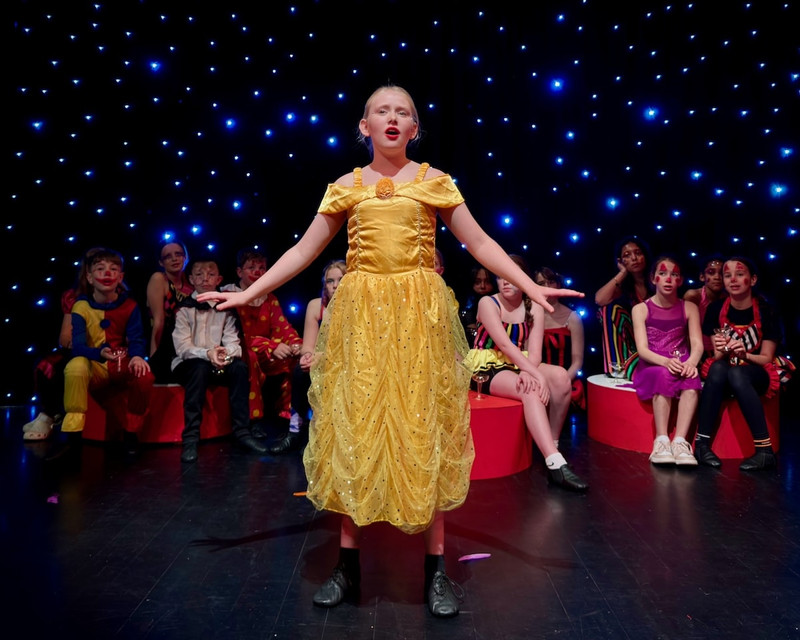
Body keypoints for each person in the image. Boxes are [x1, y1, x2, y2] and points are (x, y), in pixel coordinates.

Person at [197, 85, 583, 617]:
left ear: (415, 127)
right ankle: (347, 567)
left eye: (404, 112)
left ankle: (436, 570)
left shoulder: (432, 182)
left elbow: (483, 243)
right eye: (383, 111)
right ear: (365, 125)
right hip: (362, 319)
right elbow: (305, 250)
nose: (393, 118)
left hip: (416, 318)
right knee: (357, 430)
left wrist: (532, 288)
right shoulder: (345, 187)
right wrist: (248, 292)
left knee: (420, 430)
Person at [464, 255, 588, 492]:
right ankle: (555, 464)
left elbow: (534, 351)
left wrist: (531, 370)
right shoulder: (488, 303)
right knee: (530, 390)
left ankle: (551, 446)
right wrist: (534, 375)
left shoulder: (534, 305)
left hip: (521, 362)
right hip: (488, 363)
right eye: (500, 277)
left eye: (512, 276)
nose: (506, 282)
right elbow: (506, 347)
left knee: (561, 377)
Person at [58, 248, 154, 456]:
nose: (107, 274)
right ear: (90, 278)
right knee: (75, 366)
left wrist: (137, 356)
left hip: (119, 363)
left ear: (120, 277)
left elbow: (137, 338)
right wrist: (99, 354)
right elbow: (78, 346)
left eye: (113, 270)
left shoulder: (129, 306)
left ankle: (131, 433)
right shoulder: (81, 306)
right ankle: (72, 438)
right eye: (101, 269)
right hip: (95, 365)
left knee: (144, 374)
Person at [171, 256, 268, 463]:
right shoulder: (184, 309)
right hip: (190, 364)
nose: (205, 278)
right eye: (199, 274)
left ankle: (242, 432)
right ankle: (190, 438)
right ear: (191, 279)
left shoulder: (226, 308)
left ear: (219, 279)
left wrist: (225, 353)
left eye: (211, 274)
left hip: (218, 362)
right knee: (198, 368)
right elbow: (183, 348)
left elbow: (234, 343)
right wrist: (207, 354)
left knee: (240, 368)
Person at [694, 257, 783, 471]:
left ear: (752, 280)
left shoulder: (765, 310)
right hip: (727, 368)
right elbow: (717, 356)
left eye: (740, 274)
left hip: (756, 370)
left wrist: (745, 355)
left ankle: (764, 450)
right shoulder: (716, 310)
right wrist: (722, 349)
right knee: (718, 368)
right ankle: (701, 445)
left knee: (738, 374)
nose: (733, 279)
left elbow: (766, 358)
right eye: (727, 275)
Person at [631, 256, 703, 466]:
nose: (668, 278)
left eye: (674, 274)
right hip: (653, 364)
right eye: (663, 273)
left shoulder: (689, 308)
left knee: (691, 379)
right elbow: (642, 350)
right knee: (666, 373)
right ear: (653, 278)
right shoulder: (641, 309)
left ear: (680, 280)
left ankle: (680, 442)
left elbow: (697, 343)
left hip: (681, 362)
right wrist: (666, 362)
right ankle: (661, 440)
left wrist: (692, 364)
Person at [220, 248, 303, 431]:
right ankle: (254, 420)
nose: (258, 272)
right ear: (239, 272)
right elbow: (237, 338)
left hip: (264, 353)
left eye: (262, 268)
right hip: (239, 353)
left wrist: (295, 344)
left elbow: (282, 327)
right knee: (250, 357)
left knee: (294, 359)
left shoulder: (269, 298)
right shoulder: (229, 295)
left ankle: (287, 416)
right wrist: (272, 346)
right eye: (252, 267)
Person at [270, 259, 346, 455]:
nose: (335, 285)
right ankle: (295, 431)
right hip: (322, 360)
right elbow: (308, 347)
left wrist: (322, 357)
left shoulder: (359, 308)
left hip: (349, 362)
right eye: (330, 281)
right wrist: (307, 357)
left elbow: (354, 349)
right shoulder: (315, 306)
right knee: (300, 371)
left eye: (341, 279)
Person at [22, 249, 100, 441]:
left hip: (106, 352)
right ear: (87, 272)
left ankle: (47, 417)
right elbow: (65, 338)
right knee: (47, 366)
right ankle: (50, 414)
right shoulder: (74, 297)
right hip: (80, 349)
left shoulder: (120, 297)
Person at [595, 236, 652, 380]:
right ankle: (617, 367)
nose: (634, 258)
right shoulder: (625, 287)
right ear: (620, 261)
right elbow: (599, 300)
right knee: (608, 310)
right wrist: (622, 273)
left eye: (638, 253)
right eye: (627, 255)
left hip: (660, 338)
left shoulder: (657, 279)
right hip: (637, 342)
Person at [534, 266, 586, 411]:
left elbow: (577, 362)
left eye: (550, 282)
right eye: (542, 283)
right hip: (539, 380)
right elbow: (528, 356)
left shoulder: (573, 317)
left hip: (566, 381)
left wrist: (561, 383)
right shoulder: (530, 316)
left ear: (558, 284)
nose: (547, 287)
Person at [146, 239, 193, 383]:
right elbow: (158, 322)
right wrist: (154, 359)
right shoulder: (159, 279)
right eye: (168, 256)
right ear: (161, 262)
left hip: (188, 343)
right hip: (166, 344)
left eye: (178, 254)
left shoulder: (192, 282)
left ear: (185, 257)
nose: (174, 259)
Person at [683, 254, 726, 358]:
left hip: (724, 352)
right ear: (702, 277)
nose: (717, 277)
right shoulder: (693, 296)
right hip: (697, 352)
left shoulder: (729, 298)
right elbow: (685, 331)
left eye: (722, 273)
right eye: (711, 273)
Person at [459, 264, 496, 343]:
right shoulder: (464, 312)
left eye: (487, 282)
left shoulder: (501, 308)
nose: (482, 286)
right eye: (477, 282)